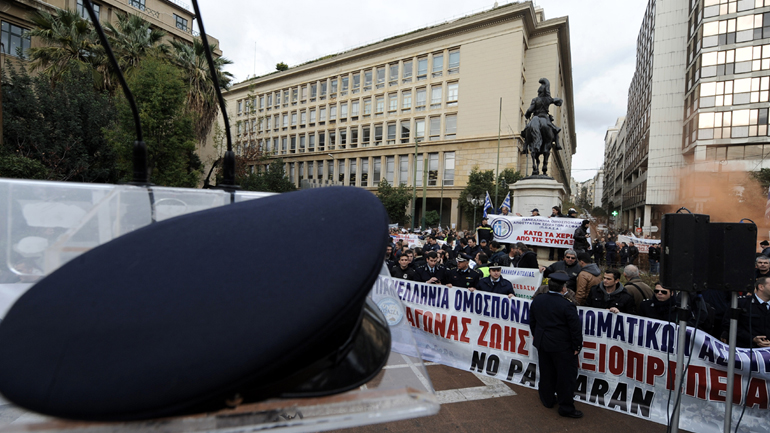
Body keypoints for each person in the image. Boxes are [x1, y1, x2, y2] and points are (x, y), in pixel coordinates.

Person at [529, 272, 583, 419]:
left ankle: (547, 399)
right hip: (562, 347)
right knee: (566, 378)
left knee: (546, 373)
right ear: (563, 288)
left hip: (542, 343)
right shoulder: (567, 305)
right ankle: (566, 407)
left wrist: (537, 335)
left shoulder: (538, 300)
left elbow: (532, 321)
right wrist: (577, 347)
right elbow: (575, 329)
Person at [721, 277, 770, 348]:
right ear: (761, 287)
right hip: (745, 348)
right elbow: (728, 325)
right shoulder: (741, 303)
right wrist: (752, 338)